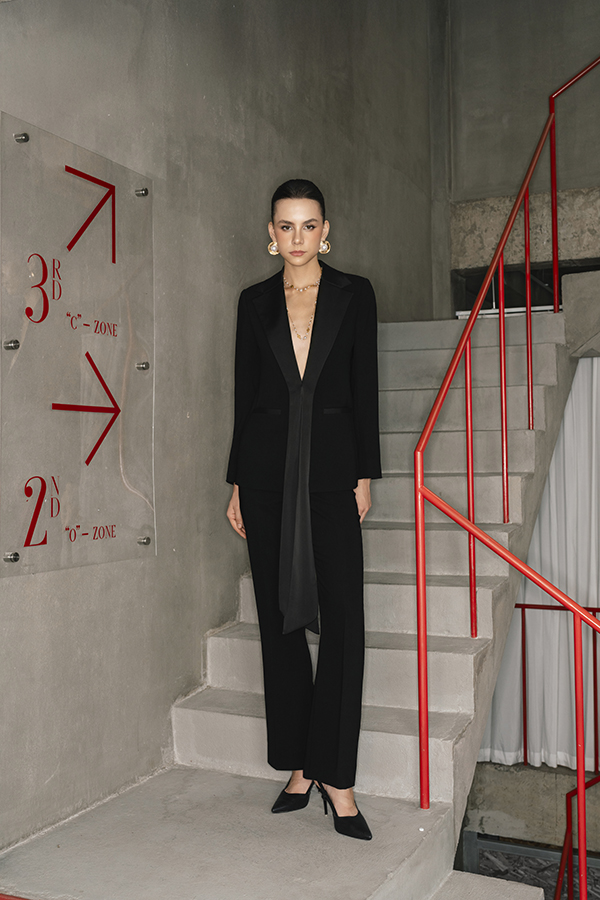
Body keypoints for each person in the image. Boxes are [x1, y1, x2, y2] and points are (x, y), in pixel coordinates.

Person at [226, 179, 381, 840]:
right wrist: (236, 482)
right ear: (271, 233)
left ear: (326, 231)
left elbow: (364, 387)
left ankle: (336, 778)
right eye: (285, 226)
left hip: (332, 471)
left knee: (343, 619)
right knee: (278, 623)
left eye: (308, 225)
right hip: (264, 475)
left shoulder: (354, 294)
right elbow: (246, 393)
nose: (297, 237)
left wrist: (364, 473)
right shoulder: (253, 301)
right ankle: (297, 766)